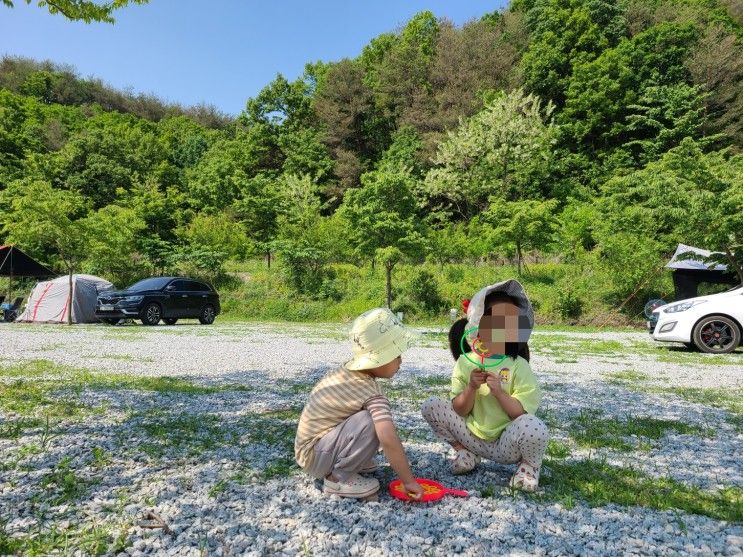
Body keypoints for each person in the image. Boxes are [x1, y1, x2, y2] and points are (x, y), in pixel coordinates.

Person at [422, 280, 549, 492]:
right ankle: (465, 453)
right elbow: (460, 410)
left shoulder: (518, 365)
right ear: (477, 325)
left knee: (535, 427)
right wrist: (471, 388)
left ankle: (529, 467)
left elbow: (520, 414)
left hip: (505, 445)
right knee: (431, 405)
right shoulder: (465, 362)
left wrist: (499, 392)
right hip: (471, 437)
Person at [294, 307, 425, 500]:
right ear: (379, 357)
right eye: (396, 355)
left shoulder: (347, 372)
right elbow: (387, 436)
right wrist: (408, 481)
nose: (401, 361)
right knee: (373, 422)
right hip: (315, 456)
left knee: (368, 419)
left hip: (310, 450)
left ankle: (346, 462)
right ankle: (337, 479)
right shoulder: (370, 391)